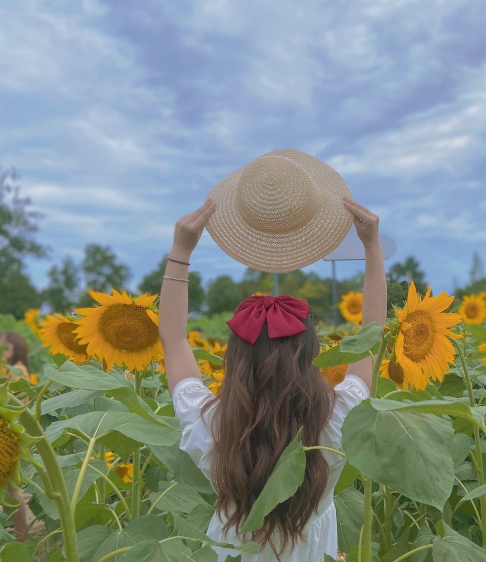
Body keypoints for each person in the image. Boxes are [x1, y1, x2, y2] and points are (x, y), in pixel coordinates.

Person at [159, 196, 386, 561]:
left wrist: (181, 251)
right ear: (313, 354)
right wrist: (372, 247)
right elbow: (372, 337)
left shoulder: (213, 425)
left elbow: (173, 340)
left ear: (234, 358)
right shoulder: (338, 420)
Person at [0, 331, 31, 540]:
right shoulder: (8, 370)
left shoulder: (17, 371)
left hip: (11, 435)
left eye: (5, 347)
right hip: (7, 432)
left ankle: (21, 536)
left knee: (10, 489)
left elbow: (17, 404)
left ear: (15, 348)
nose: (2, 352)